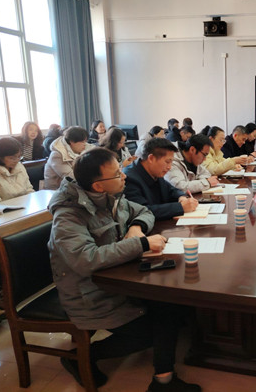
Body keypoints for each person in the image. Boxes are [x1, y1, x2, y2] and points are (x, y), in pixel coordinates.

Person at [47, 148, 201, 392]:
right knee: (152, 331)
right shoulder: (69, 216)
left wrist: (137, 227)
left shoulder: (110, 197)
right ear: (98, 186)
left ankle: (163, 379)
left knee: (172, 306)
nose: (124, 176)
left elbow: (144, 211)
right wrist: (140, 244)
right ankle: (80, 356)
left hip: (118, 279)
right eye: (118, 174)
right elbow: (86, 259)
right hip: (90, 293)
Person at [123, 138, 198, 220]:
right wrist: (180, 207)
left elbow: (171, 190)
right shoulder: (129, 178)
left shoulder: (155, 171)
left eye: (171, 162)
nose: (169, 167)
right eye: (167, 162)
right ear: (151, 158)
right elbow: (142, 211)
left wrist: (181, 197)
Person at [0, 137, 34, 204]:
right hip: (5, 208)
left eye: (19, 157)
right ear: (0, 157)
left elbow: (29, 189)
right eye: (12, 158)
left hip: (25, 205)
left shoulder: (19, 166)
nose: (16, 160)